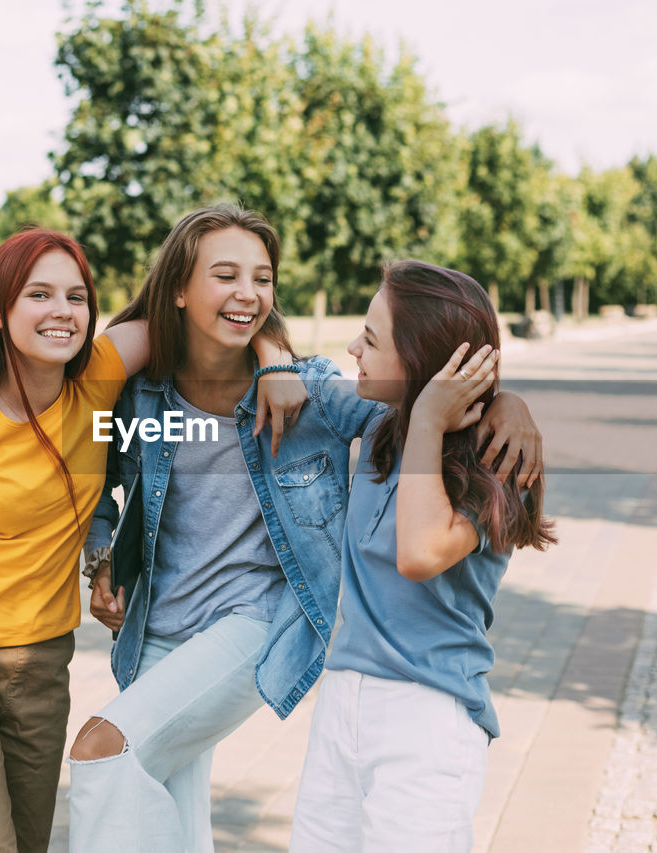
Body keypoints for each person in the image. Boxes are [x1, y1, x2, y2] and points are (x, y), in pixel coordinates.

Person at [66, 206, 543, 852]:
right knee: (168, 814)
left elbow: (413, 412)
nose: (248, 293)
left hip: (257, 623)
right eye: (226, 274)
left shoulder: (308, 393)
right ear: (179, 287)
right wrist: (101, 559)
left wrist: (509, 404)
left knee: (106, 751)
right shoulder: (146, 394)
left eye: (262, 278)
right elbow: (102, 471)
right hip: (159, 623)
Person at [0, 226, 300, 853]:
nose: (62, 312)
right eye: (38, 295)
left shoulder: (98, 376)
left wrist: (275, 358)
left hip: (41, 664)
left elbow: (217, 314)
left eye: (76, 297)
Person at [288, 261, 556, 852]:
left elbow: (420, 552)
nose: (352, 347)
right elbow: (292, 375)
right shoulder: (384, 423)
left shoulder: (499, 468)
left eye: (372, 339)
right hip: (341, 703)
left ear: (420, 362)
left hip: (428, 719)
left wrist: (435, 417)